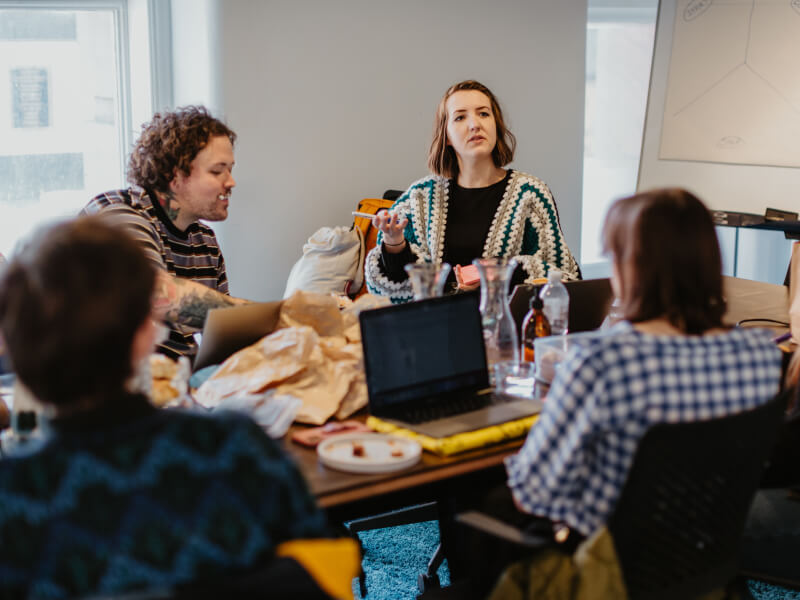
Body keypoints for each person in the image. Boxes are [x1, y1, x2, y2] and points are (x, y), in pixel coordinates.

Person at [442, 188, 784, 596]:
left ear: (631, 267)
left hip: (605, 575)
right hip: (703, 567)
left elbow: (533, 494)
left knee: (488, 498)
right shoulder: (759, 356)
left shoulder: (600, 363)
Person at [0, 217, 356, 598]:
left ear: (13, 347)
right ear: (144, 335)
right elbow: (321, 573)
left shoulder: (13, 497)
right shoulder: (236, 447)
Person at [365, 80, 580, 303]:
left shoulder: (530, 194)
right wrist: (394, 244)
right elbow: (388, 290)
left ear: (496, 124)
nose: (475, 124)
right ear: (446, 136)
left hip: (504, 328)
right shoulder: (419, 198)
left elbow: (564, 278)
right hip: (438, 327)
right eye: (460, 117)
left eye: (484, 114)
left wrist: (502, 273)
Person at [82, 106, 247, 359]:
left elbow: (224, 333)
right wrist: (272, 316)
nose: (230, 182)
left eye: (230, 170)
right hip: (114, 384)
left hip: (180, 385)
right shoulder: (117, 213)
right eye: (217, 171)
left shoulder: (205, 242)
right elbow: (156, 296)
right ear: (175, 176)